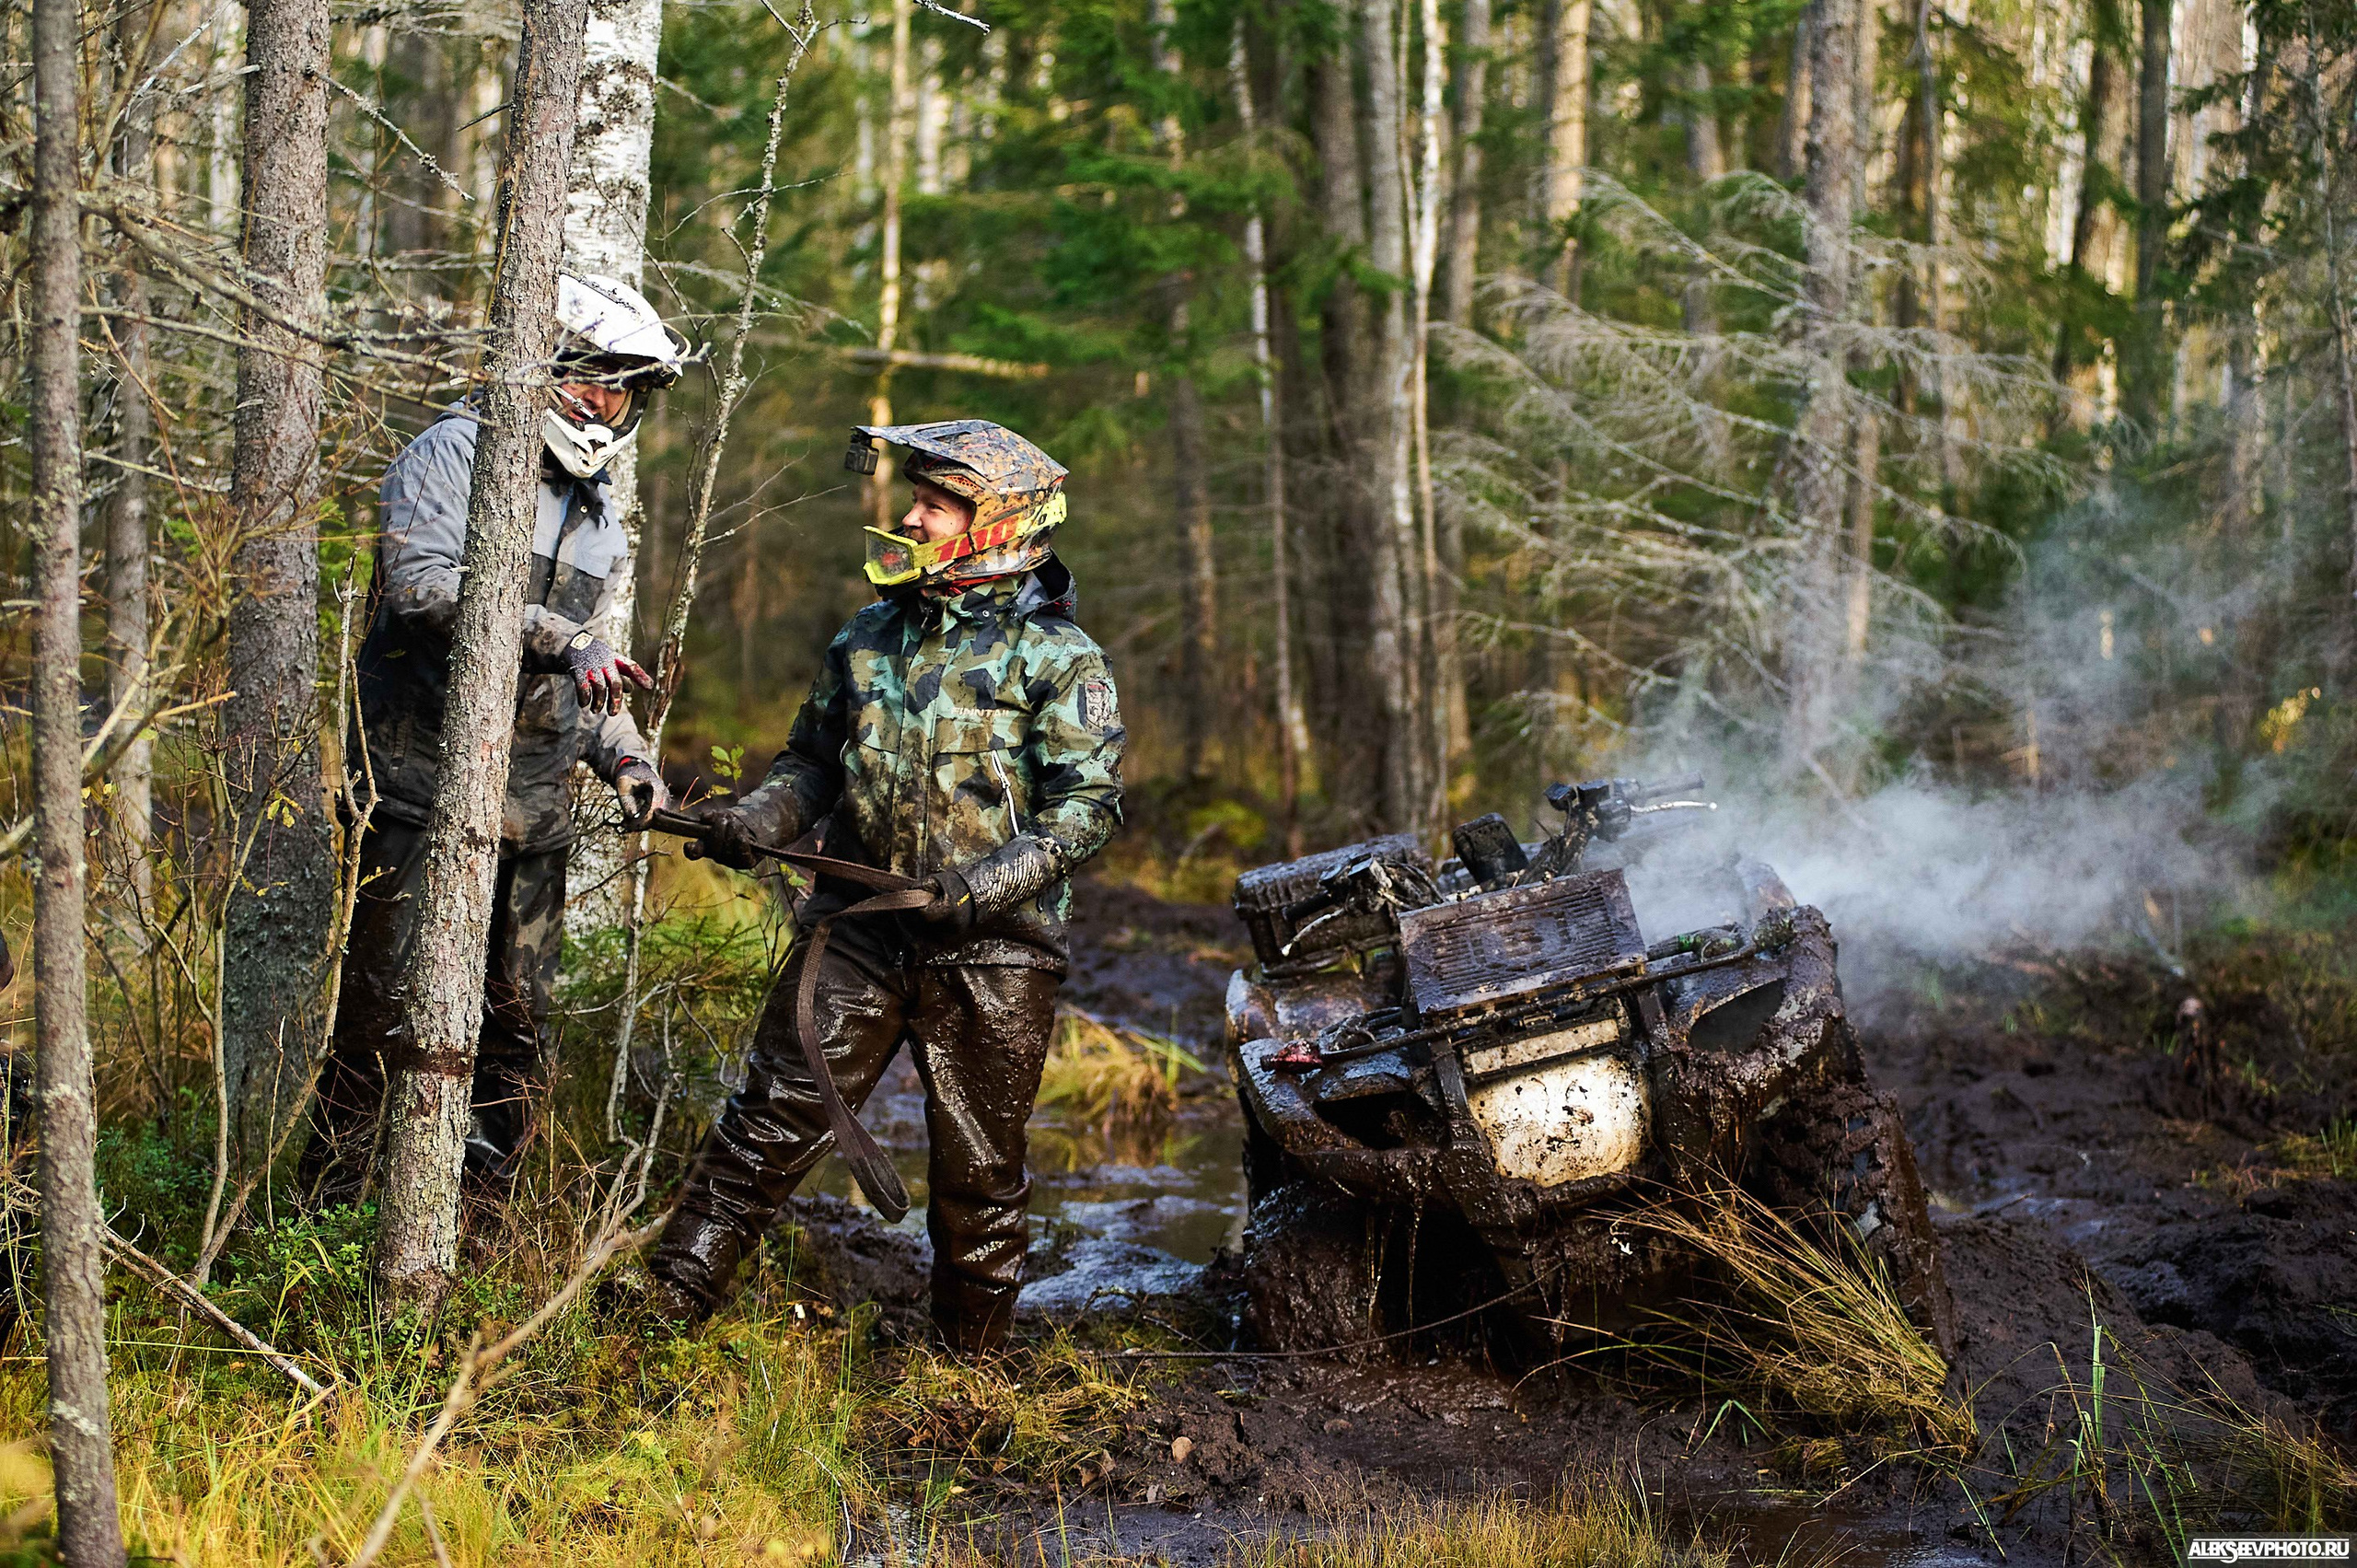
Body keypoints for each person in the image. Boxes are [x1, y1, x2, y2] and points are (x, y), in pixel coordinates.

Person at [637, 419, 1125, 1352]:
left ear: (997, 524)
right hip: (857, 928)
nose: (909, 516)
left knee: (979, 1177)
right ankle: (656, 1315)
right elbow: (811, 763)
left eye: (934, 505)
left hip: (996, 951)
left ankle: (967, 1370)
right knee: (766, 1123)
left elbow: (1088, 808)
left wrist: (981, 887)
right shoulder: (866, 636)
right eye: (916, 498)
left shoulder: (1060, 658)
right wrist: (759, 820)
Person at [302, 273, 688, 1202]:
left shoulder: (600, 512)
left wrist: (627, 755)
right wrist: (558, 636)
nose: (603, 404)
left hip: (534, 814)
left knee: (516, 1032)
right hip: (417, 792)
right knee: (379, 1017)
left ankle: (484, 1223)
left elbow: (594, 668)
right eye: (590, 377)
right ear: (543, 362)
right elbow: (423, 587)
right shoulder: (451, 453)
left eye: (622, 390)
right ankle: (323, 1214)